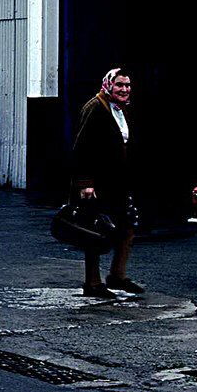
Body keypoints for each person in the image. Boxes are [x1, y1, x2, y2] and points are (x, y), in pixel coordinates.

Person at [71, 68, 142, 298]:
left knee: (127, 227)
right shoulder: (95, 108)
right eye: (119, 84)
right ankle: (92, 283)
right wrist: (85, 183)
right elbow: (82, 148)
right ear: (109, 84)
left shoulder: (121, 110)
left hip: (118, 183)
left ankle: (117, 276)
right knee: (95, 230)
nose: (124, 89)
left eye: (127, 85)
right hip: (97, 184)